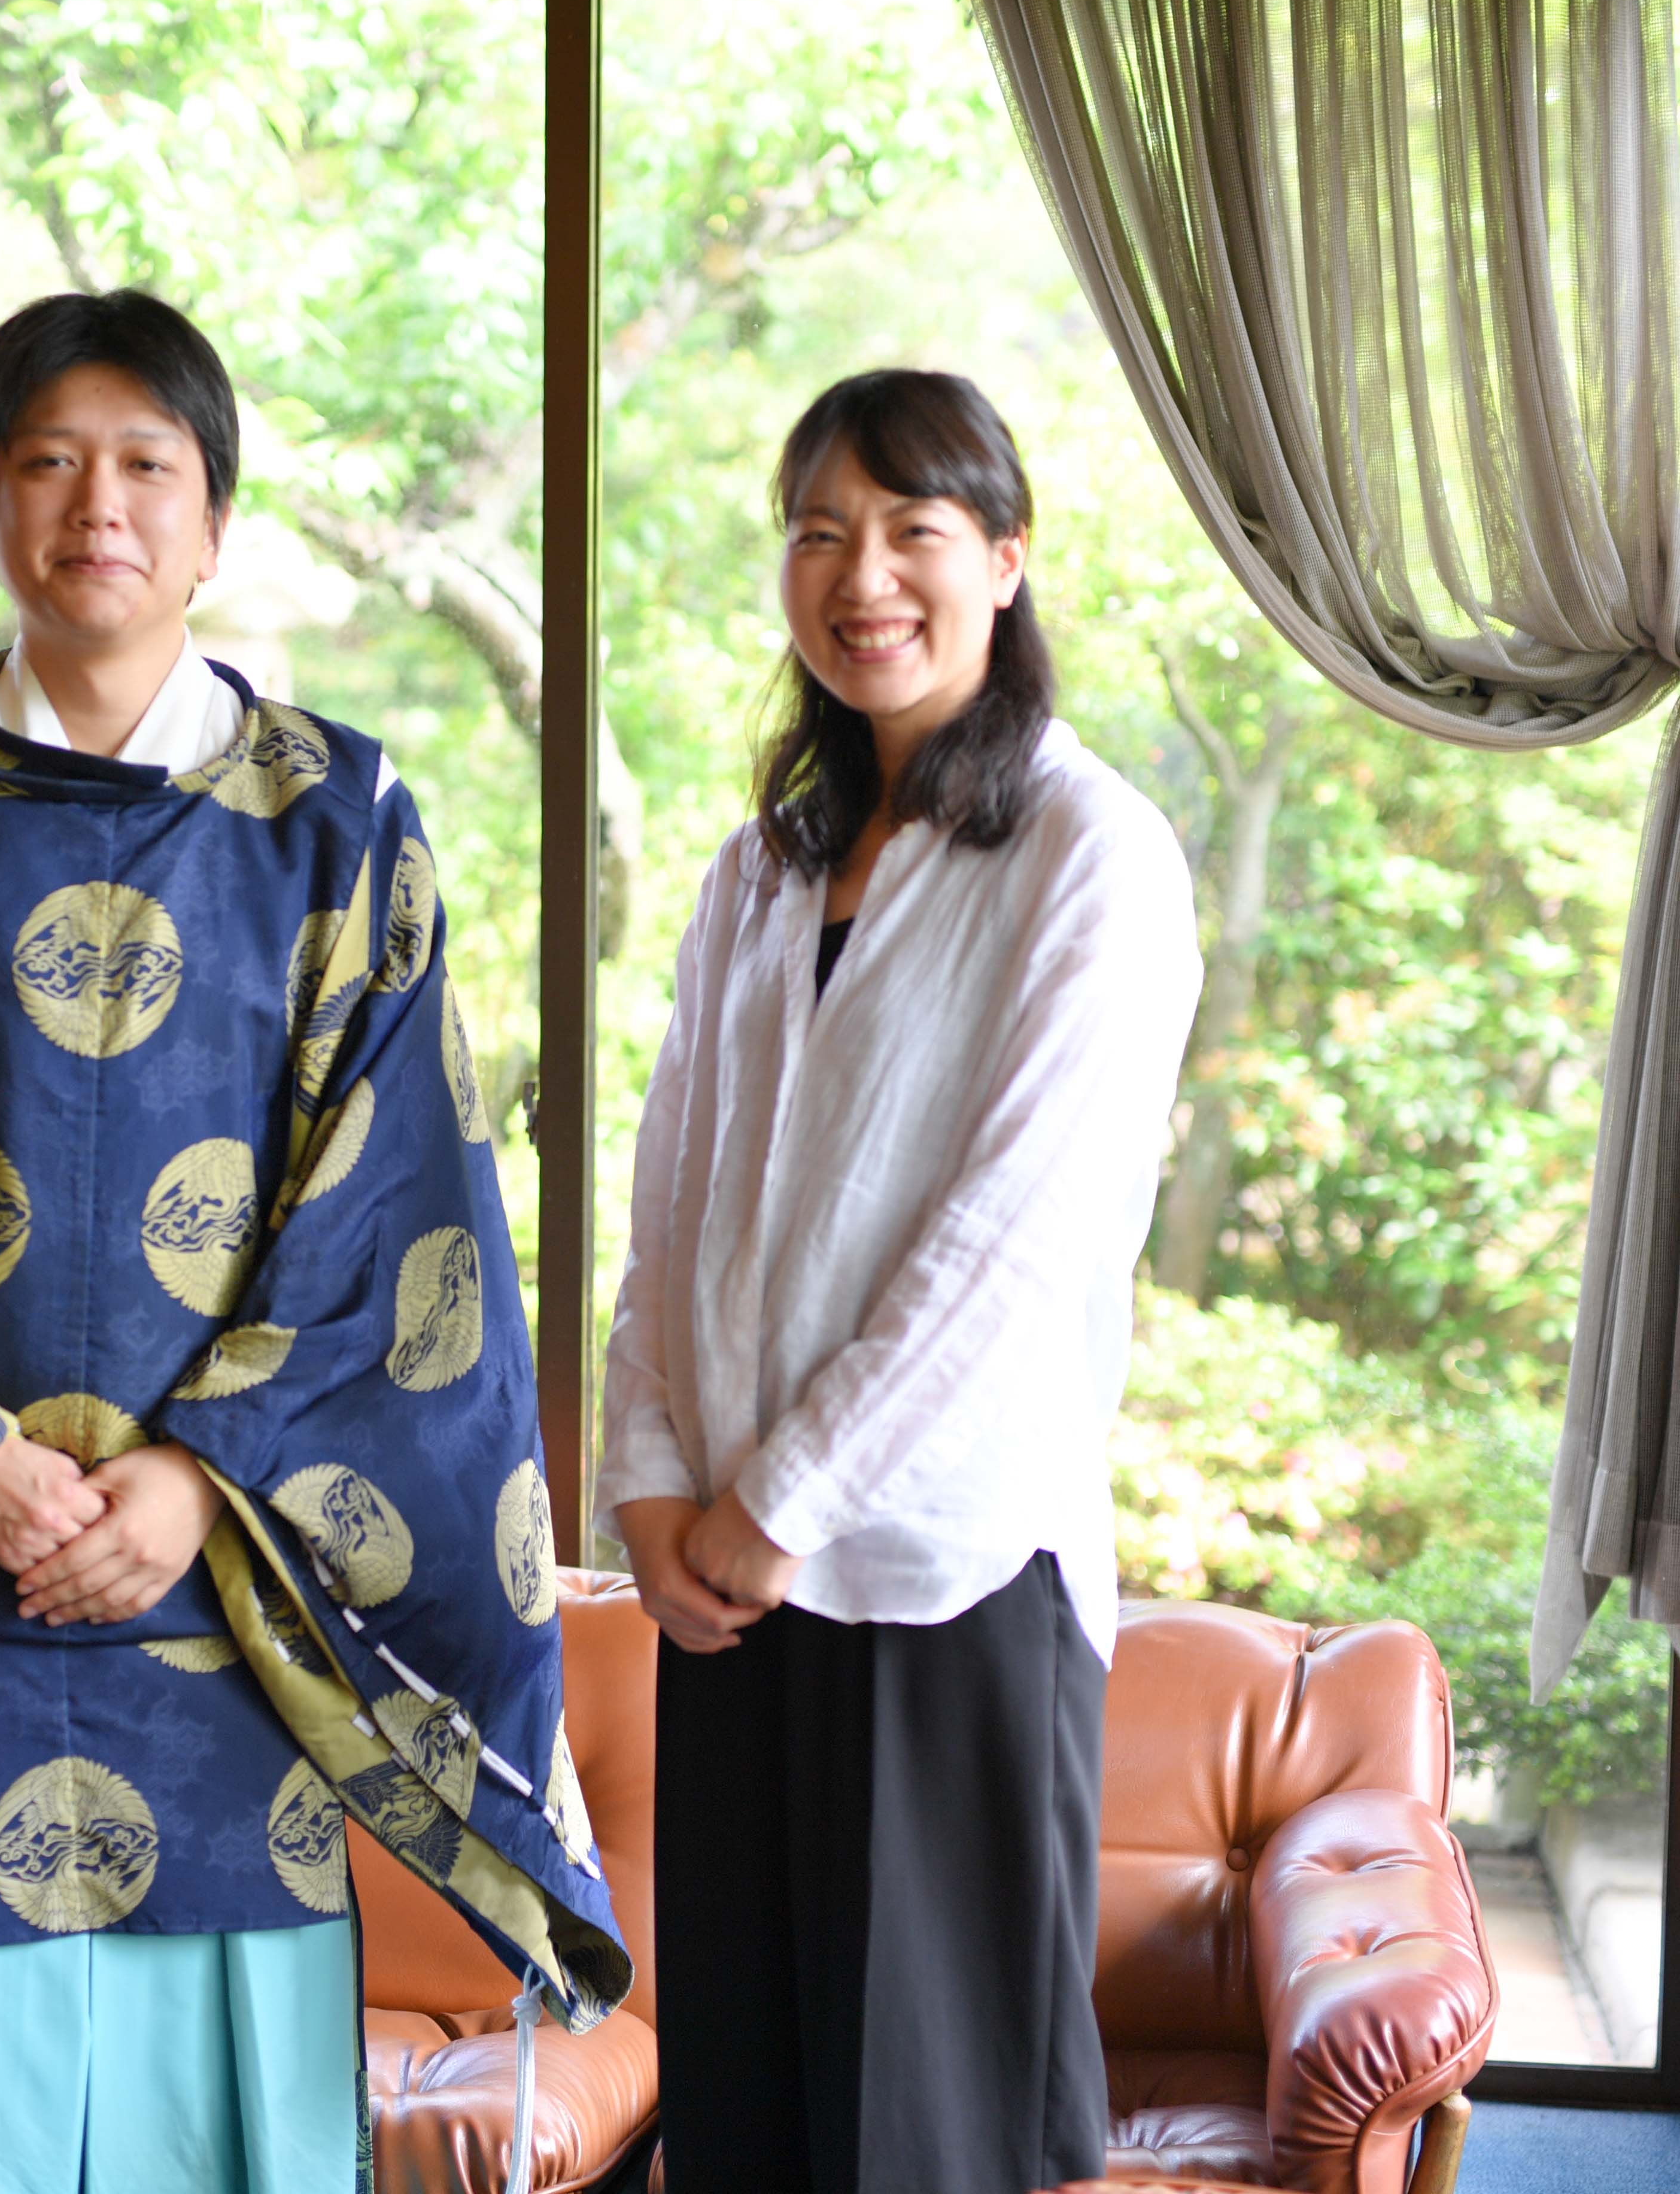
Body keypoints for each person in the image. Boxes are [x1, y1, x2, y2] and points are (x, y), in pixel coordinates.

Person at [0, 289, 628, 2194]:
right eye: (47, 464)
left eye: (149, 464)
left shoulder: (342, 826)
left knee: (215, 2123)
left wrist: (190, 1478)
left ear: (215, 525)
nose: (100, 506)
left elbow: (400, 1218)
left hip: (225, 1596)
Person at [598, 368, 1202, 2193]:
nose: (862, 576)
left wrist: (787, 1497)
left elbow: (1019, 1233)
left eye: (913, 531)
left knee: (926, 2146)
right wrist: (647, 1483)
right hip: (726, 1592)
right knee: (753, 2120)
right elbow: (673, 1205)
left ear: (1004, 561)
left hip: (941, 1584)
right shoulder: (761, 868)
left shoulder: (1090, 852)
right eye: (818, 534)